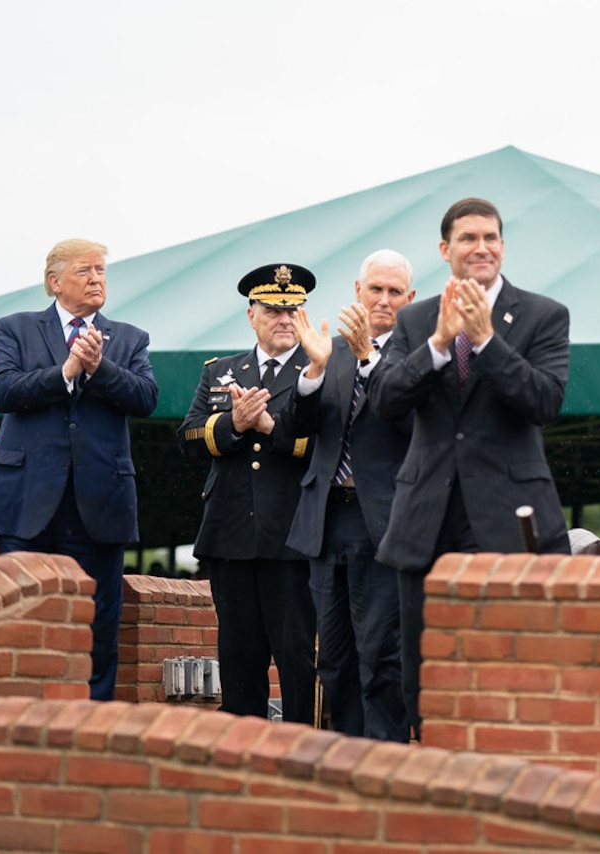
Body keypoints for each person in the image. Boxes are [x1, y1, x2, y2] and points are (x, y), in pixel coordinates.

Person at [368, 197, 571, 740]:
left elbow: (544, 401)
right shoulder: (414, 318)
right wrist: (438, 343)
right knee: (422, 664)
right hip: (426, 519)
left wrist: (484, 340)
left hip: (509, 517)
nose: (481, 247)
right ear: (445, 250)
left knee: (512, 656)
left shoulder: (543, 315)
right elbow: (385, 400)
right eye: (468, 238)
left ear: (502, 246)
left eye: (491, 237)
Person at [0, 238, 158, 701]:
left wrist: (98, 369)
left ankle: (91, 727)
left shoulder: (131, 338)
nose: (97, 279)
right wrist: (66, 371)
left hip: (98, 505)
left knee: (98, 629)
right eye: (85, 271)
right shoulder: (15, 329)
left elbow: (146, 399)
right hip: (27, 501)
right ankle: (13, 720)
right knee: (18, 615)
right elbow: (2, 392)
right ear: (54, 282)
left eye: (101, 271)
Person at [283, 249, 416, 742]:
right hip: (326, 521)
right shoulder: (327, 350)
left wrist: (368, 358)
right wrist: (313, 373)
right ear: (356, 293)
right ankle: (346, 758)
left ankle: (383, 763)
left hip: (383, 524)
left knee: (381, 654)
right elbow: (298, 431)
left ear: (410, 299)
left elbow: (408, 421)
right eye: (374, 289)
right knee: (334, 659)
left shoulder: (421, 354)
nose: (383, 300)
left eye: (394, 292)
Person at [178, 263, 317, 723]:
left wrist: (271, 427)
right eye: (274, 310)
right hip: (232, 534)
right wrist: (232, 424)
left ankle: (302, 751)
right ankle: (242, 760)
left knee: (296, 657)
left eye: (293, 310)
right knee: (238, 656)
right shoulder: (221, 371)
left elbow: (326, 446)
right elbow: (189, 438)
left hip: (291, 538)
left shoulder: (318, 370)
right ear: (251, 315)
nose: (284, 319)